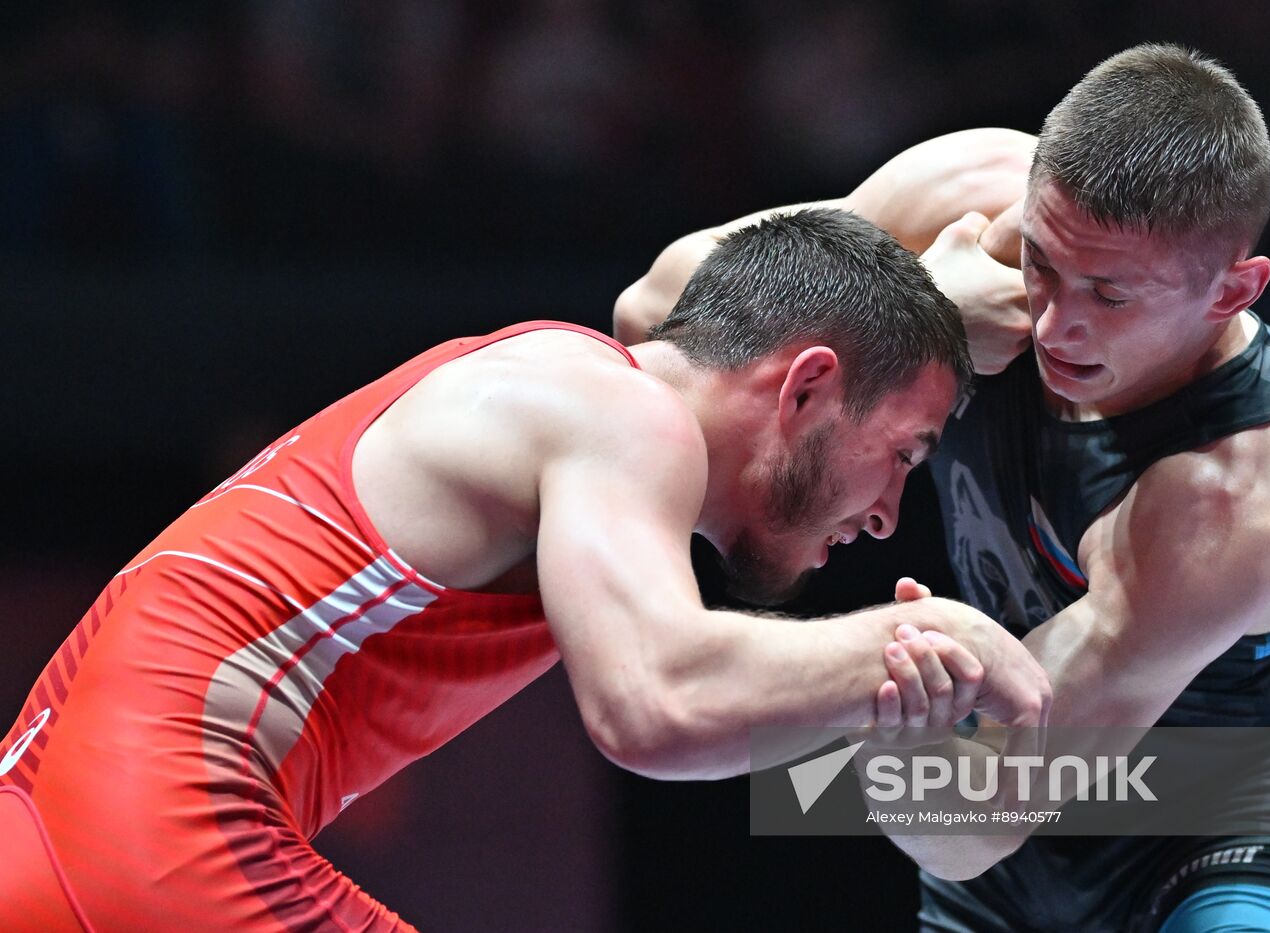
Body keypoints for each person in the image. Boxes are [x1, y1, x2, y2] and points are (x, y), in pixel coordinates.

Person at [0, 208, 1050, 932]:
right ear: (808, 384)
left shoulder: (568, 389)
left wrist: (873, 692)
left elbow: (709, 283)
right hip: (153, 824)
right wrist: (930, 637)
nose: (884, 516)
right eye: (904, 456)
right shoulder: (617, 414)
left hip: (42, 810)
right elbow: (655, 705)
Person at [618, 44, 1270, 933]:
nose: (1053, 320)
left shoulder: (1233, 493)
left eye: (1109, 295)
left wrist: (902, 741)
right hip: (1002, 855)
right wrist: (915, 305)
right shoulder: (971, 193)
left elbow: (973, 824)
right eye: (1042, 263)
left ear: (1234, 288)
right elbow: (650, 320)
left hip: (1205, 829)